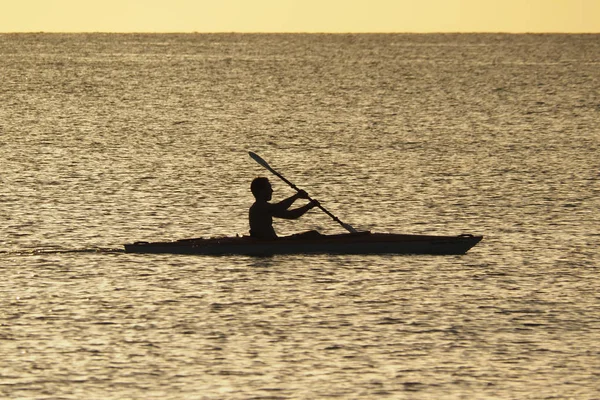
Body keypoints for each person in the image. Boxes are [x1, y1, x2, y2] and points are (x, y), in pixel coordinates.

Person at [249, 177, 320, 240]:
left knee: (313, 234)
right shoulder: (259, 207)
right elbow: (280, 207)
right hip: (268, 242)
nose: (272, 190)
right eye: (269, 188)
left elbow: (292, 215)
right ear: (262, 191)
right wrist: (296, 196)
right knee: (313, 235)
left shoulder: (266, 208)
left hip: (273, 241)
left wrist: (309, 206)